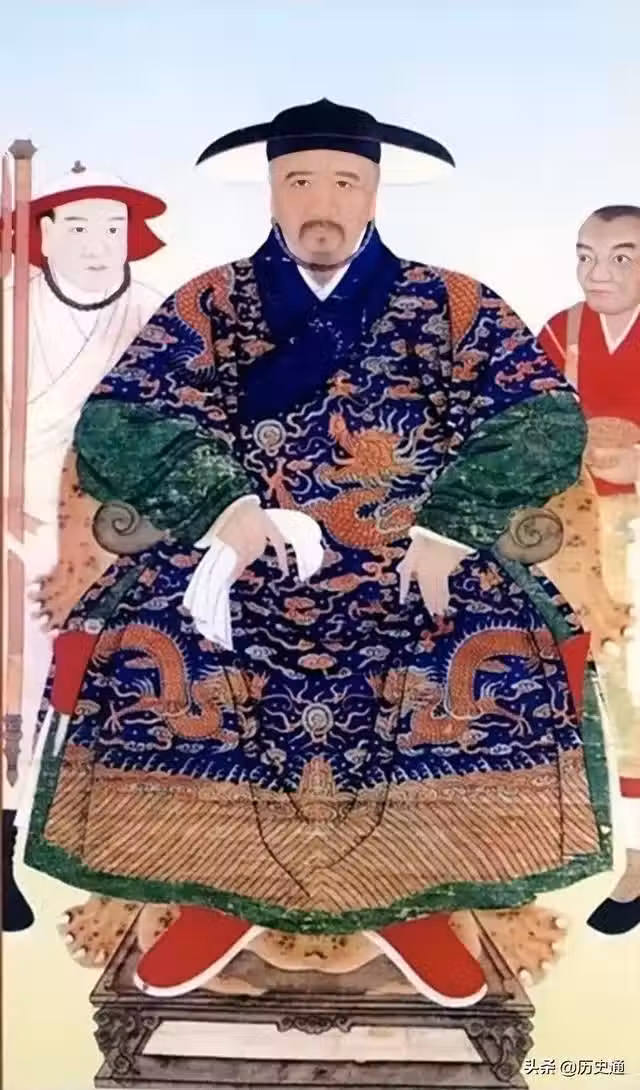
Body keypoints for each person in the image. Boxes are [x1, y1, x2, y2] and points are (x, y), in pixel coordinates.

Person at [23, 99, 611, 1009]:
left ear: (374, 193)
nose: (322, 203)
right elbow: (123, 416)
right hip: (246, 561)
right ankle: (213, 892)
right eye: (299, 181)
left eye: (345, 182)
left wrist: (451, 527)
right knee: (155, 644)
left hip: (409, 562)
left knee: (484, 650)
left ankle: (415, 899)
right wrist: (224, 508)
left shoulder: (452, 306)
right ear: (272, 190)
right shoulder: (213, 304)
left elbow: (539, 418)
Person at [2, 165, 166, 804]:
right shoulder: (11, 307)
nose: (97, 244)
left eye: (112, 227)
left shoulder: (153, 313)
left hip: (116, 515)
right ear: (44, 234)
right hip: (18, 511)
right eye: (77, 227)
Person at [539, 205, 640, 935]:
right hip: (576, 530)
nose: (596, 273)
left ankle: (636, 859)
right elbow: (525, 428)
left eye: (621, 258)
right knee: (589, 684)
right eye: (585, 256)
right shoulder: (560, 333)